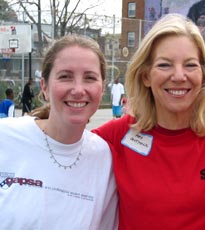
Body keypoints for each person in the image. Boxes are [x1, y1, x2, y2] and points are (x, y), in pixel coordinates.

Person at [93, 13, 205, 229]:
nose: (179, 76)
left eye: (190, 65)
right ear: (146, 76)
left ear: (203, 74)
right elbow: (59, 149)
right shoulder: (116, 136)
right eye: (165, 65)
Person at [0, 35, 118, 229]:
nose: (78, 89)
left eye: (89, 77)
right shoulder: (5, 137)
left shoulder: (103, 157)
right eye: (65, 76)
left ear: (102, 88)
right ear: (44, 86)